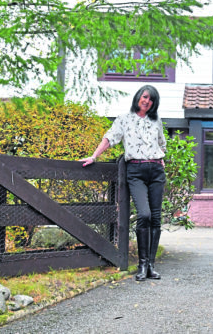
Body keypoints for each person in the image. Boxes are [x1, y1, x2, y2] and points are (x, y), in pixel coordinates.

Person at [80, 85, 166, 281]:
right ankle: (142, 265)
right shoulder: (124, 119)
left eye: (151, 99)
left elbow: (162, 143)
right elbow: (110, 138)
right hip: (135, 170)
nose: (147, 101)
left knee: (156, 217)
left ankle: (151, 265)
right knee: (144, 214)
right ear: (138, 97)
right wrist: (94, 156)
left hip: (156, 171)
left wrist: (161, 158)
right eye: (145, 97)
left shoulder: (156, 121)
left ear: (154, 104)